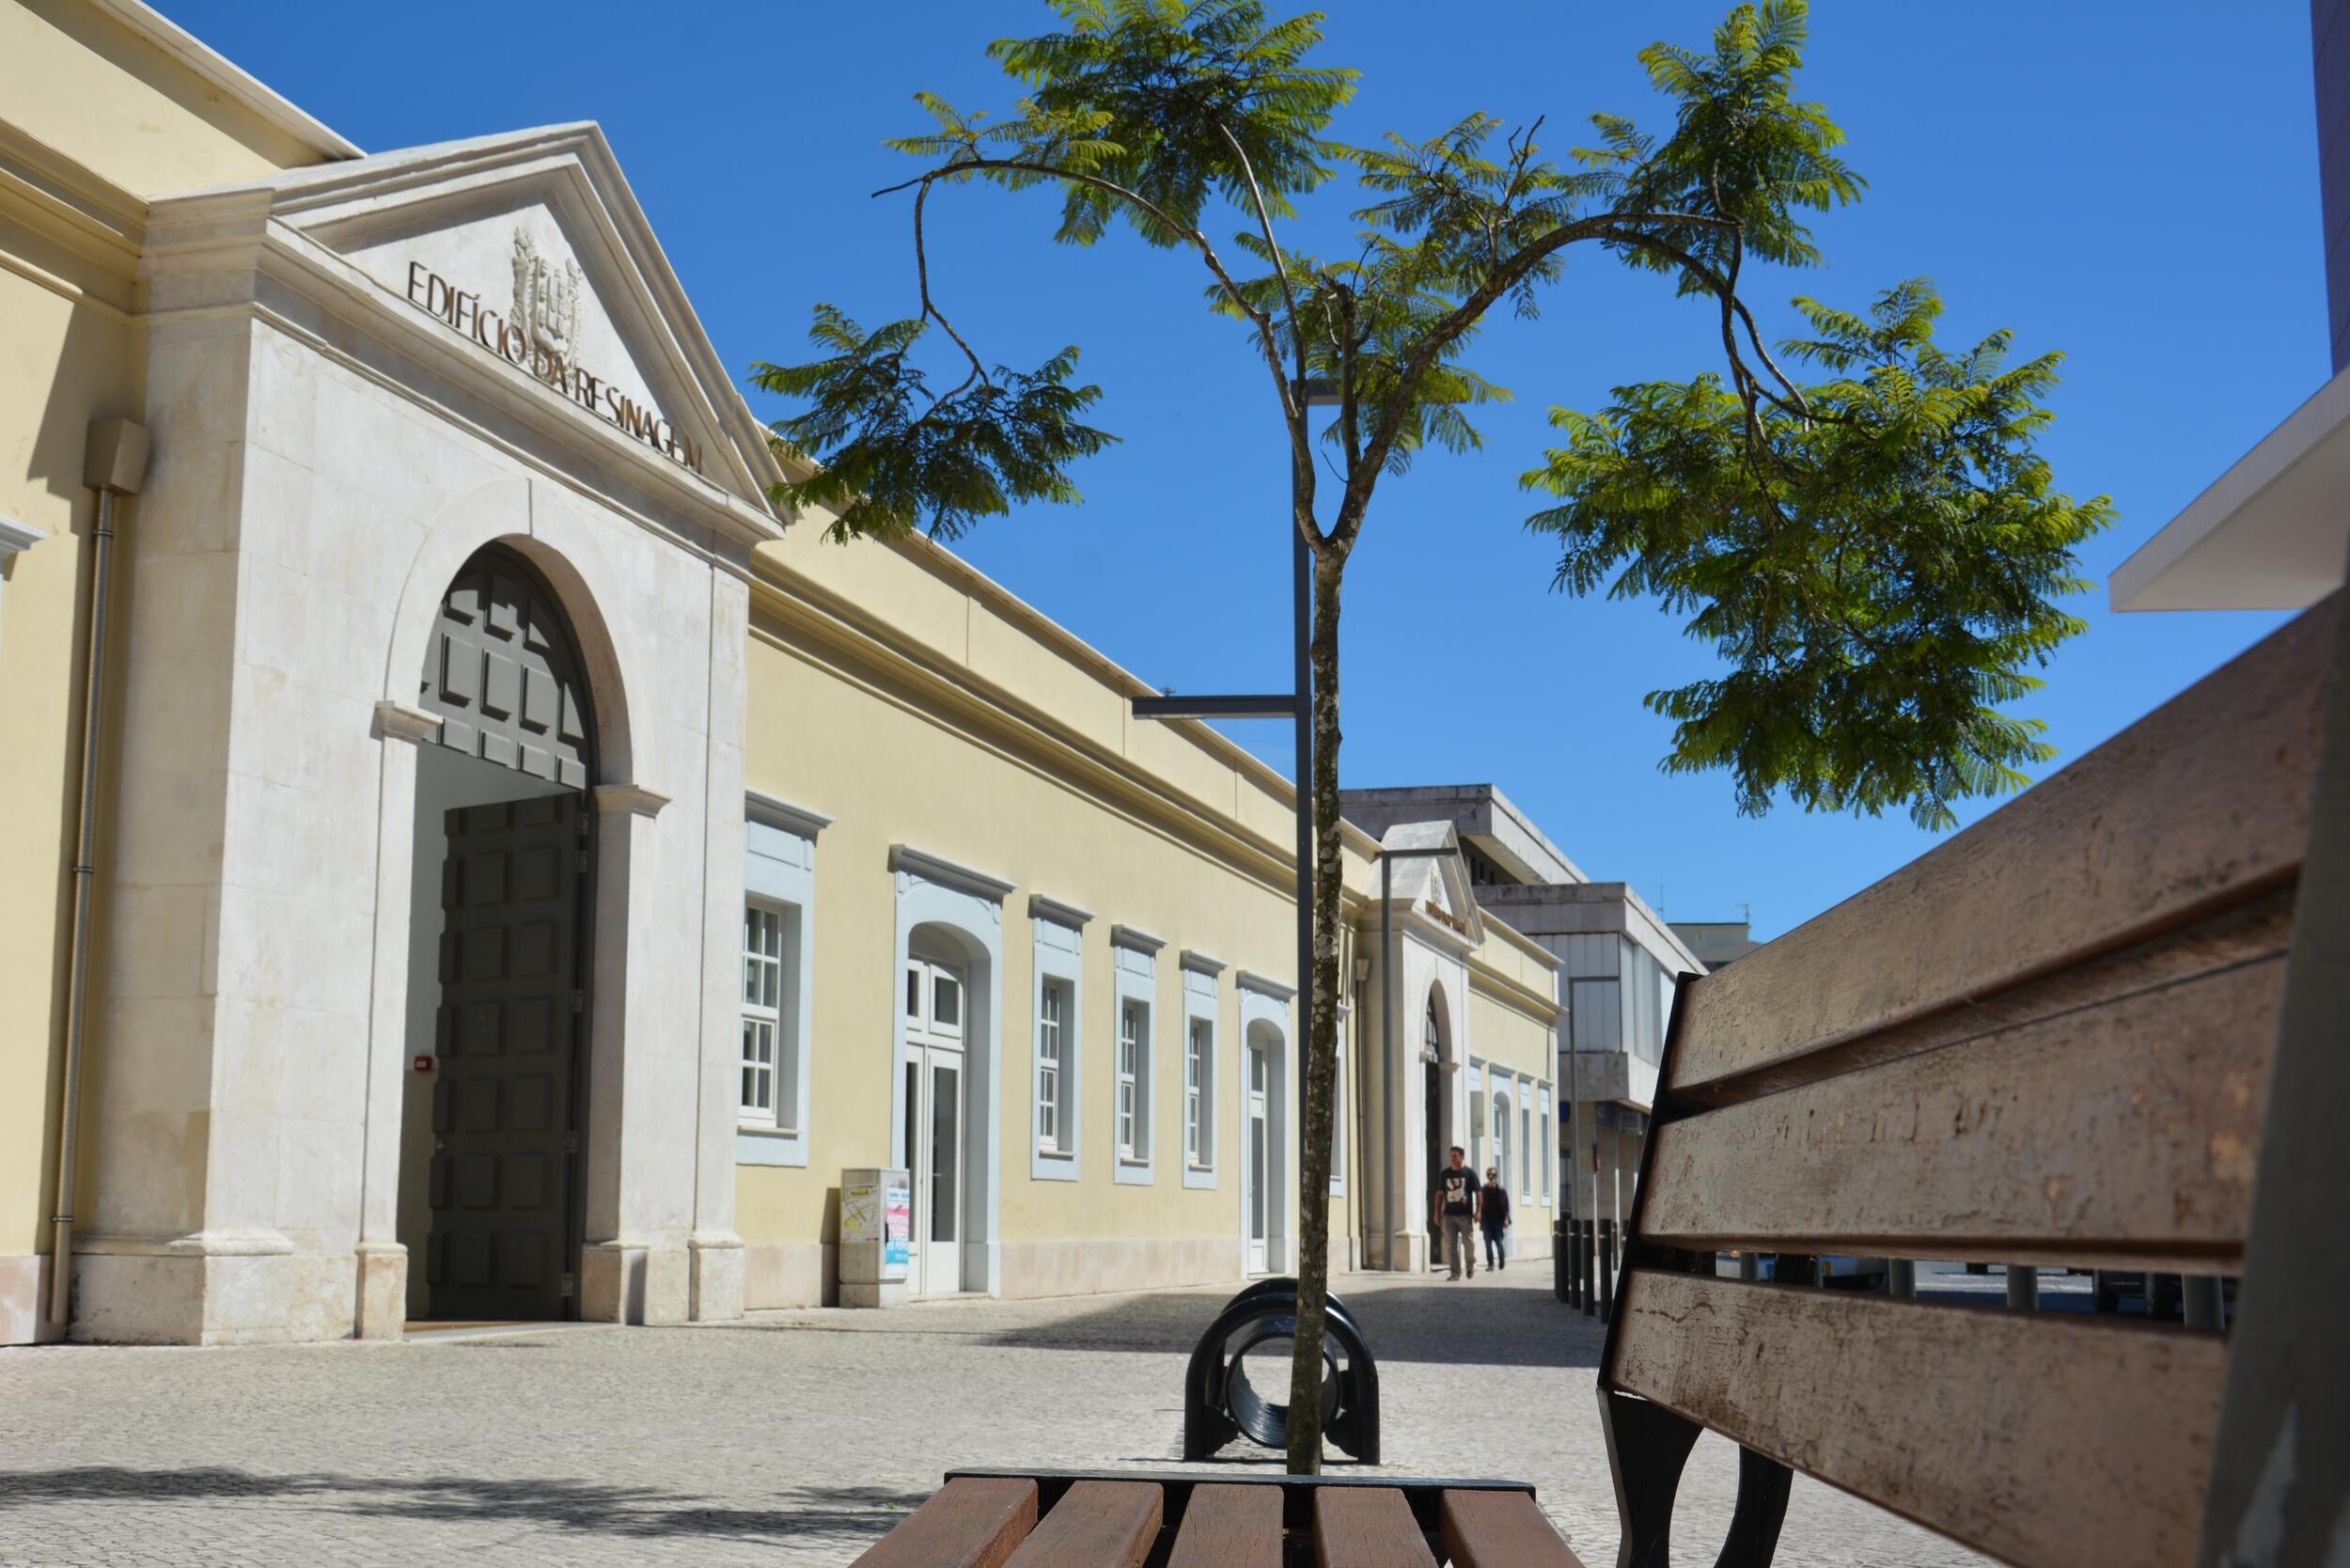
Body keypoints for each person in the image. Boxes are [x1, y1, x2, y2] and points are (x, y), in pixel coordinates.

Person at [1433, 1146, 1480, 1280]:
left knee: (1469, 1244)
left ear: (1462, 1157)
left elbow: (1479, 1193)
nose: (1452, 1158)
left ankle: (1470, 1266)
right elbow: (1439, 1194)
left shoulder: (1469, 1173)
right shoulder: (1445, 1174)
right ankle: (1455, 1273)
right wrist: (1437, 1213)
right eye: (1451, 1155)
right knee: (1451, 1246)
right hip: (1449, 1215)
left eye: (1455, 1155)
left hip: (1465, 1215)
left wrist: (1478, 1211)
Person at [1481, 1168, 1512, 1271]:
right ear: (1487, 1176)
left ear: (1496, 1176)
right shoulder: (1484, 1190)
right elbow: (1481, 1205)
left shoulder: (1501, 1190)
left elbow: (1506, 1206)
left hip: (1498, 1221)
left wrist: (1506, 1218)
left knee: (1499, 1243)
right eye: (1489, 1174)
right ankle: (1490, 1264)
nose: (1491, 1176)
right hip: (1487, 1221)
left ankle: (1501, 1259)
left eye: (1493, 1175)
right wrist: (1480, 1218)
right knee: (1488, 1244)